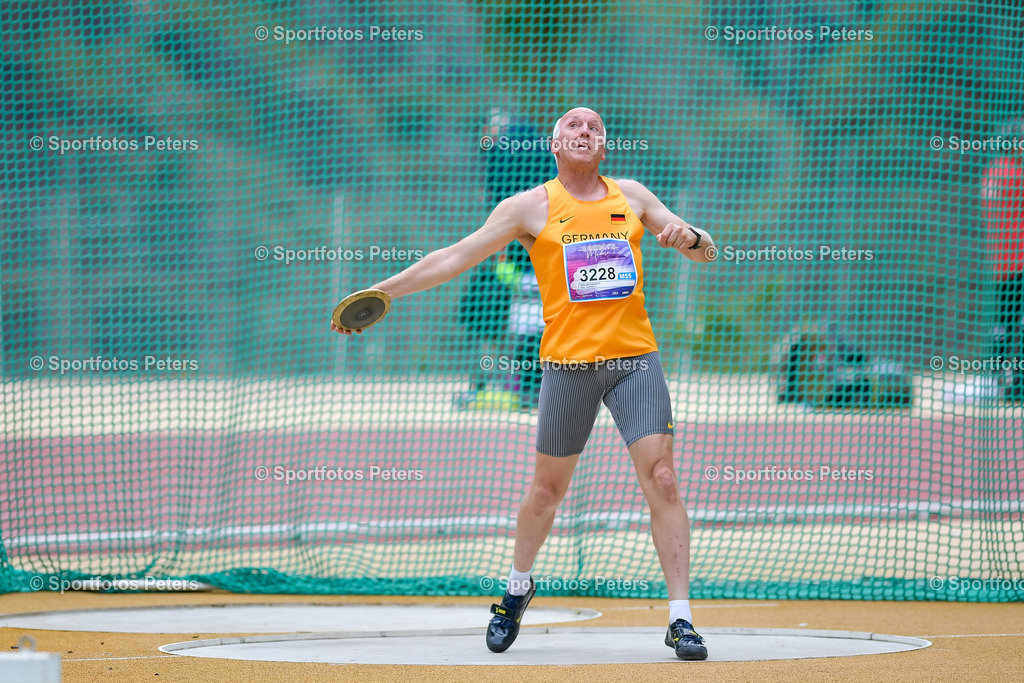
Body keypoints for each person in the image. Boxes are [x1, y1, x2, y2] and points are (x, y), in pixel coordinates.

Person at [332, 107, 715, 660]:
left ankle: (680, 618)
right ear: (555, 145)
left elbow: (706, 250)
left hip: (635, 360)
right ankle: (516, 588)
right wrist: (384, 292)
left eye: (595, 128)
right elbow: (455, 256)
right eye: (574, 127)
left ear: (604, 147)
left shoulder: (632, 196)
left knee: (664, 478)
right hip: (568, 366)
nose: (585, 132)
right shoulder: (529, 207)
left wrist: (691, 235)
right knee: (545, 493)